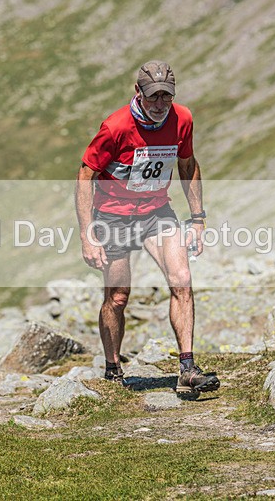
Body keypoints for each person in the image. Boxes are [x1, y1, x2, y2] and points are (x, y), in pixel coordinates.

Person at [74, 60, 220, 395]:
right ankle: (113, 370)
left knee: (181, 280)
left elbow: (187, 164)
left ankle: (187, 369)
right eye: (153, 97)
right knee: (119, 296)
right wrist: (88, 234)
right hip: (113, 216)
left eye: (166, 98)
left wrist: (197, 218)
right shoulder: (115, 127)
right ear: (137, 92)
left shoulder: (182, 119)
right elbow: (85, 175)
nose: (159, 105)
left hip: (157, 211)